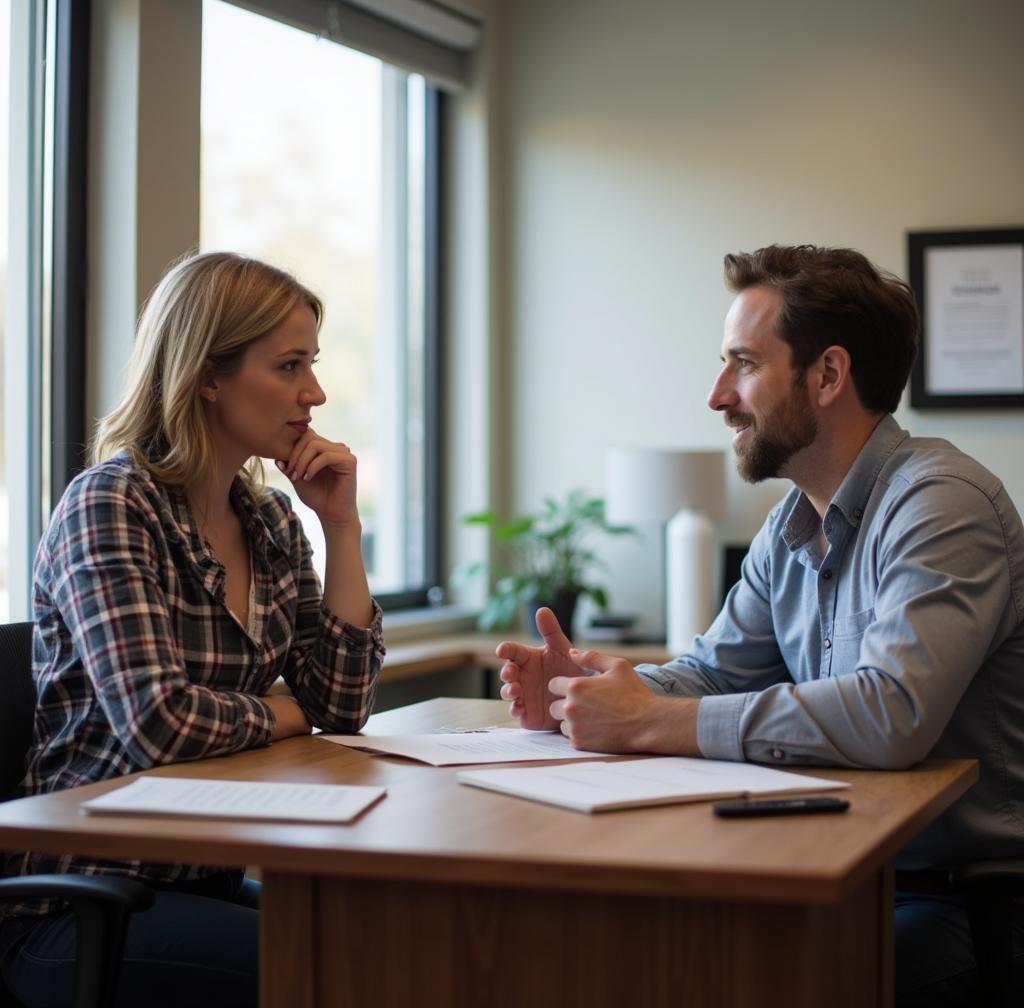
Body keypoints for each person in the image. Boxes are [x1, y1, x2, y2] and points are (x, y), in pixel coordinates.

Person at [497, 244, 1024, 1007]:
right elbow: (711, 674)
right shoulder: (788, 528)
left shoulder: (942, 505)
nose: (717, 396)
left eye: (742, 364)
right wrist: (590, 690)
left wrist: (648, 723)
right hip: (839, 866)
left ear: (828, 375)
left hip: (964, 900)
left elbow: (892, 715)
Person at [0, 252, 385, 1007]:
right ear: (208, 375)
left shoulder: (270, 517)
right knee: (340, 977)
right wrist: (286, 710)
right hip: (78, 904)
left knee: (382, 947)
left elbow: (342, 704)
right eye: (289, 365)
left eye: (312, 364)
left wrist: (340, 527)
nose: (316, 392)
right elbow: (158, 724)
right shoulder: (111, 506)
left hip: (194, 877)